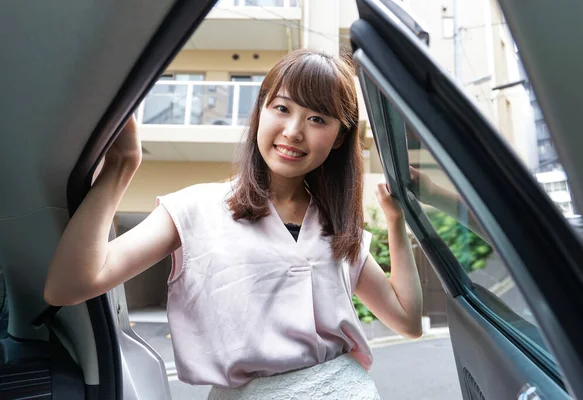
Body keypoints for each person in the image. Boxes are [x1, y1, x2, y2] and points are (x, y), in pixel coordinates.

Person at [44, 50, 423, 399]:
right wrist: (121, 167)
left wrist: (396, 221)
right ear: (260, 111)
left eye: (317, 119)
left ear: (339, 137)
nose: (293, 130)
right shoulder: (196, 207)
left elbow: (408, 321)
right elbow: (69, 286)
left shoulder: (338, 228)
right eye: (282, 108)